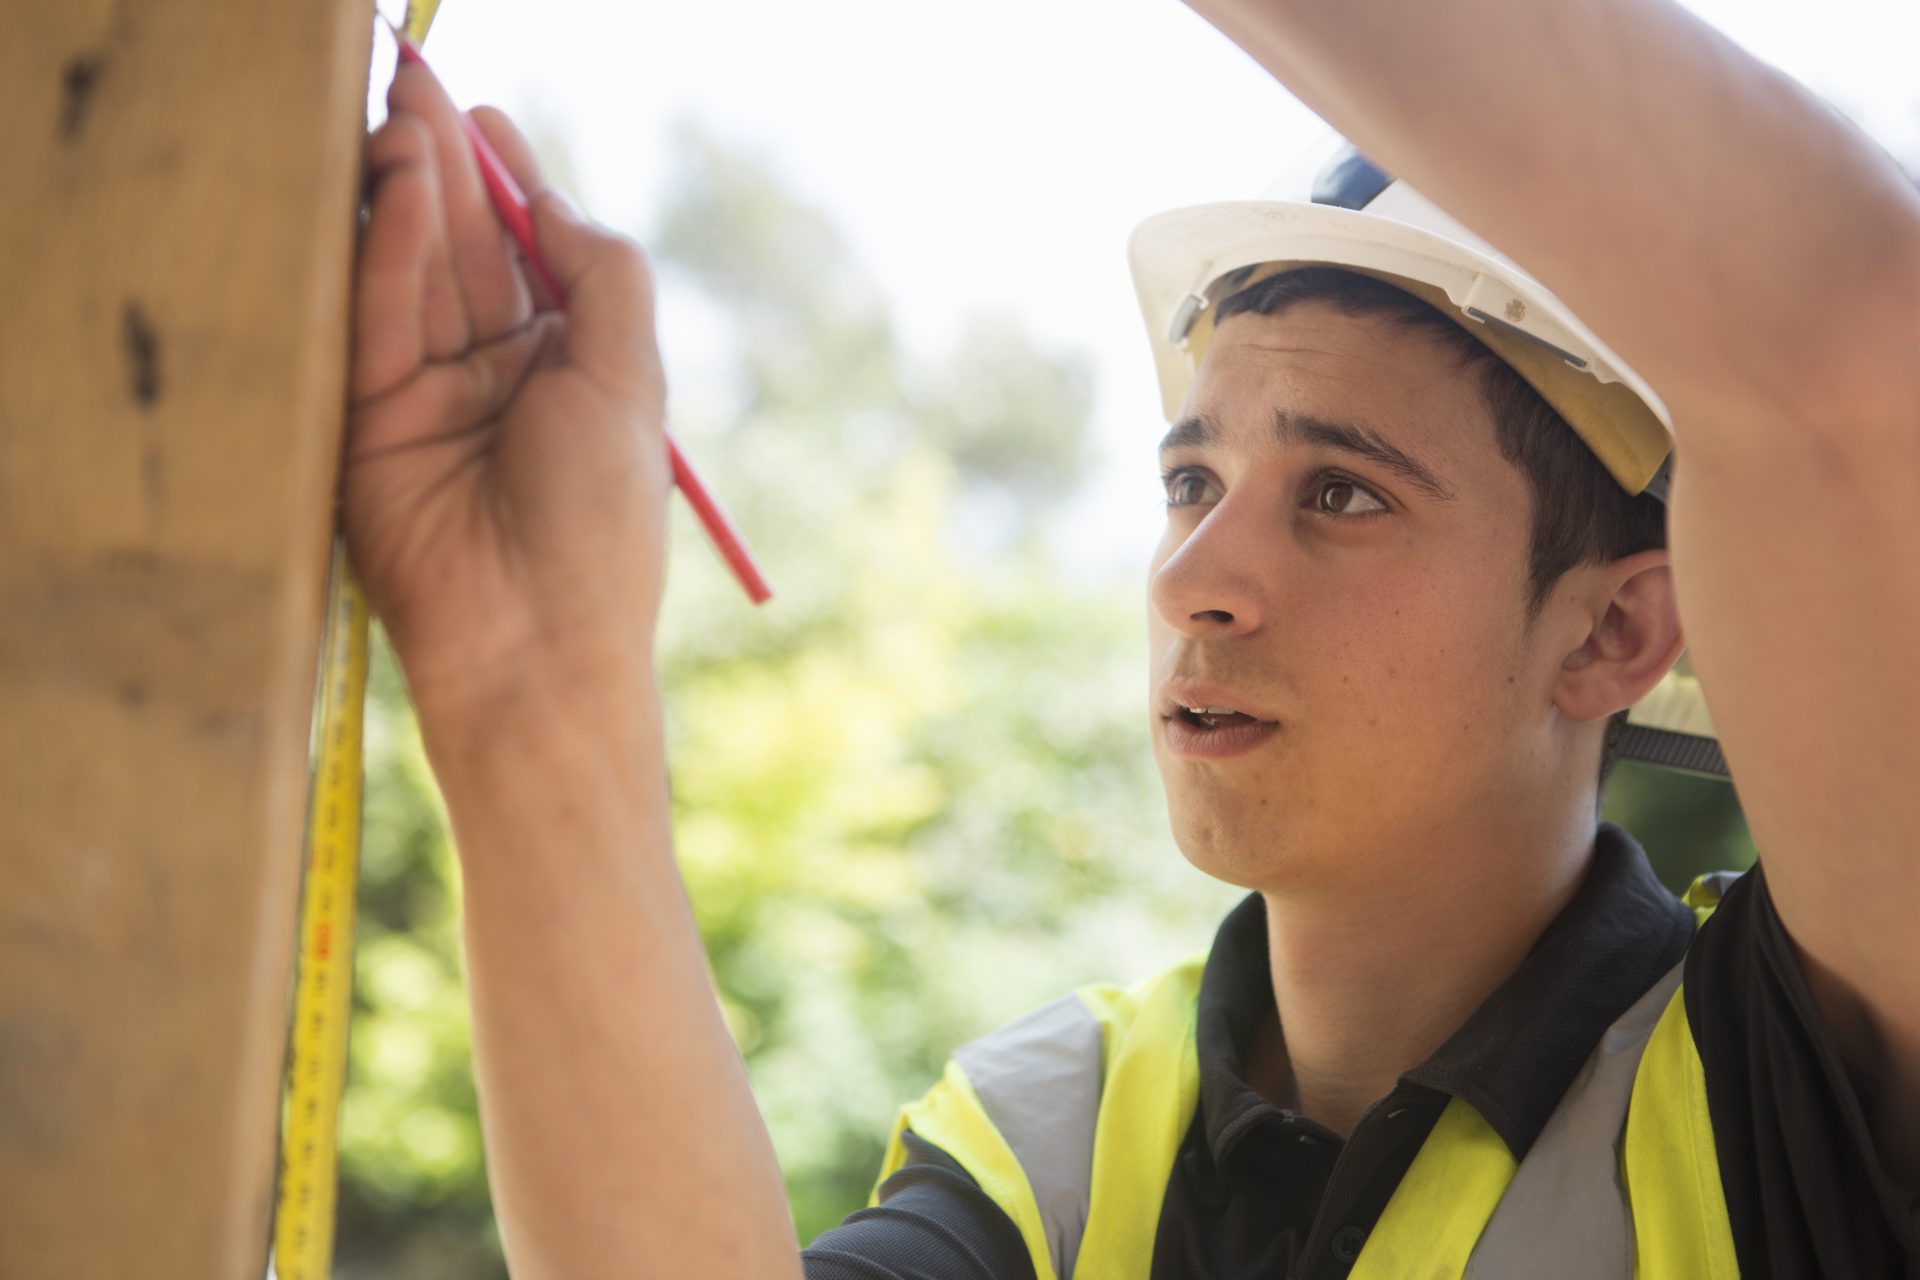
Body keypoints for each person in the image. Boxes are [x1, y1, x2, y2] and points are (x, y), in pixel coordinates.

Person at [345, 0, 1919, 1276]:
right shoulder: (1053, 1145)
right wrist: (520, 683)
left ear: (1617, 632)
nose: (1193, 580)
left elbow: (1849, 345)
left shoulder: (1792, 1089)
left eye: (1345, 496)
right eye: (1191, 480)